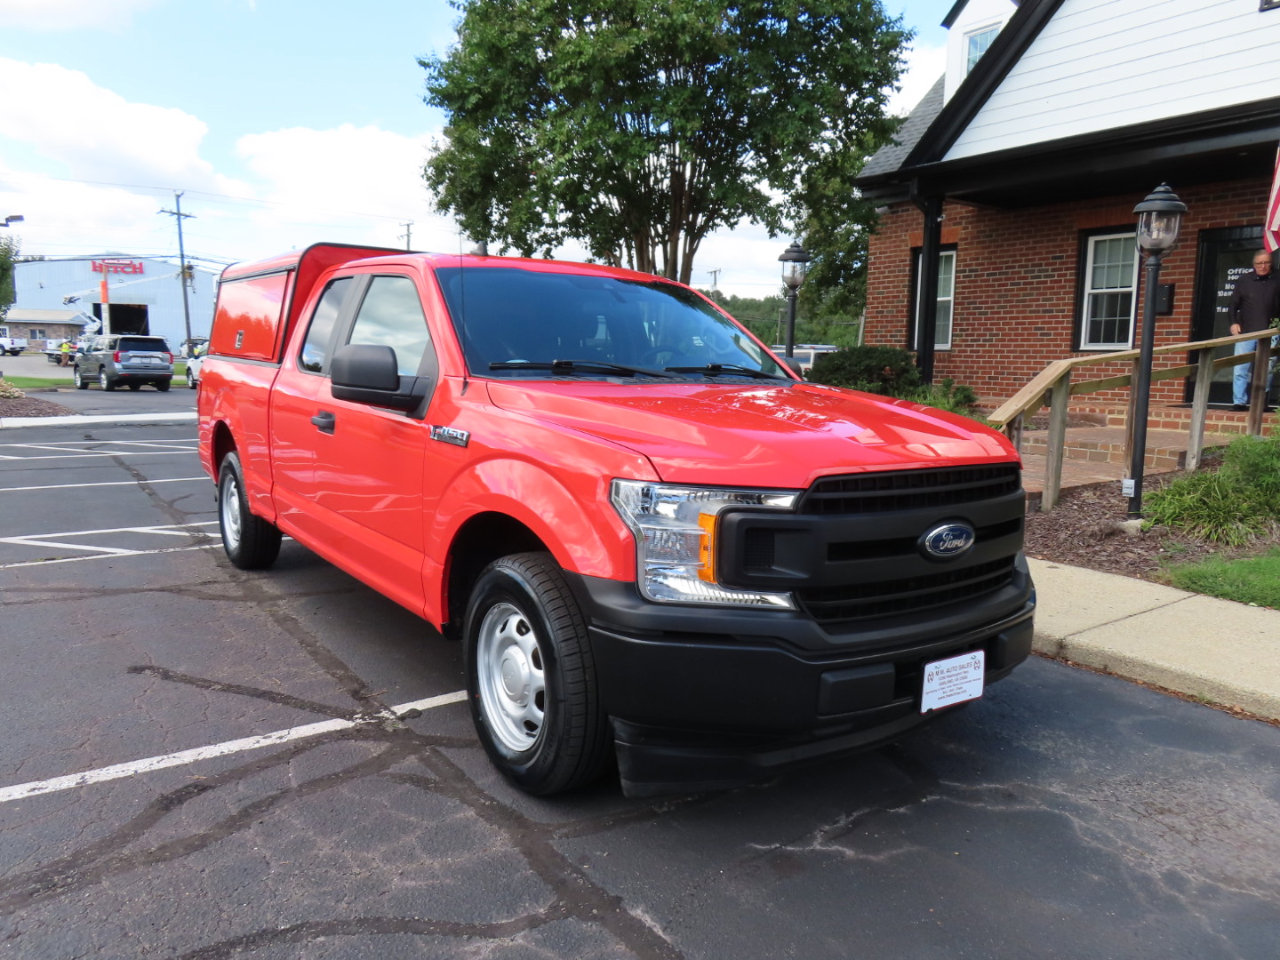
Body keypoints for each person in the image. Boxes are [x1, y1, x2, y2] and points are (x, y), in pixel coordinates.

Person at [1227, 250, 1280, 410]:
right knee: (1240, 368)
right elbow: (1232, 305)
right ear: (1254, 265)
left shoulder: (1278, 278)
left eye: (1266, 263)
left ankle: (1261, 402)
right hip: (1247, 332)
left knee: (1267, 369)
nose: (1262, 266)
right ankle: (1239, 402)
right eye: (1259, 263)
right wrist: (1233, 323)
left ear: (1271, 263)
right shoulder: (1244, 280)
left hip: (1271, 332)